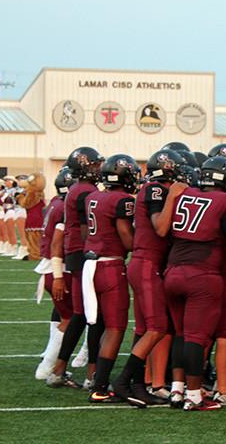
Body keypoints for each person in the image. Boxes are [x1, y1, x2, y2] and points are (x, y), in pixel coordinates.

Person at [160, 155, 226, 411]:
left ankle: (177, 390)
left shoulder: (184, 194)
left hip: (172, 270)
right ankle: (195, 395)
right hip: (201, 274)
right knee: (196, 338)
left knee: (181, 335)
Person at [124, 149, 185, 405]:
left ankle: (140, 384)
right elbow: (161, 228)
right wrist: (173, 196)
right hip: (148, 263)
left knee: (144, 328)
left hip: (145, 262)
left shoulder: (152, 188)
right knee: (158, 327)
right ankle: (123, 381)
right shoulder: (156, 190)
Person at [82, 154, 142, 406]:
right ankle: (99, 386)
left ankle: (95, 378)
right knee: (115, 328)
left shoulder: (93, 196)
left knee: (100, 325)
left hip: (90, 265)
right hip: (109, 265)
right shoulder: (122, 200)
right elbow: (127, 239)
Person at [46, 146, 105, 388]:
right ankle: (92, 375)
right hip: (83, 254)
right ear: (85, 167)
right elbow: (86, 230)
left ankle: (58, 369)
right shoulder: (84, 192)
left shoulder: (76, 189)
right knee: (94, 316)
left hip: (75, 254)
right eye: (94, 165)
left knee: (81, 316)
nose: (99, 168)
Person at [35, 167, 75, 381]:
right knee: (70, 319)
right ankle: (47, 366)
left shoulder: (55, 203)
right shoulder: (64, 207)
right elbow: (58, 242)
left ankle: (49, 361)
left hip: (50, 265)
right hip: (59, 267)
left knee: (65, 316)